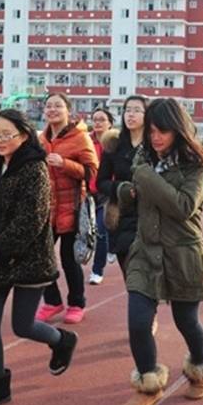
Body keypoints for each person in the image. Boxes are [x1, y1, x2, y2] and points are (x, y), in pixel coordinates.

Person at [0, 109, 77, 405]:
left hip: (28, 259)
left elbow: (32, 218)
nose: (0, 140)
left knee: (22, 325)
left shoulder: (35, 169)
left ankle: (61, 340)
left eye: (7, 134)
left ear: (24, 136)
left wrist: (2, 250)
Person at [118, 98, 203, 405]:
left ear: (179, 130)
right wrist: (125, 192)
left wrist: (145, 178)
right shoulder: (144, 156)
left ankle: (200, 367)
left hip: (183, 255)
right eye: (152, 130)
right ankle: (149, 384)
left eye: (163, 131)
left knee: (186, 321)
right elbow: (136, 193)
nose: (156, 137)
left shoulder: (195, 165)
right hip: (146, 252)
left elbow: (184, 205)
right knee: (137, 322)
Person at [35, 93, 99, 324]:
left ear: (68, 110)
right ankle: (52, 301)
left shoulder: (80, 138)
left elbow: (92, 171)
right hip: (45, 209)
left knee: (69, 259)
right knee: (37, 257)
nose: (52, 110)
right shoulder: (41, 139)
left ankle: (76, 303)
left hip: (72, 207)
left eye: (58, 106)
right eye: (48, 106)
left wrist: (65, 164)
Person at [97, 95, 148, 274]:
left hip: (149, 216)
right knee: (131, 278)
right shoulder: (114, 144)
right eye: (127, 110)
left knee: (146, 280)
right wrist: (119, 189)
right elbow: (100, 182)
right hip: (121, 216)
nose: (130, 115)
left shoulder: (155, 145)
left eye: (136, 110)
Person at [87, 107, 115, 285]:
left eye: (102, 119)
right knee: (86, 231)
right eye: (95, 119)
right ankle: (111, 244)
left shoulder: (114, 143)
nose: (97, 123)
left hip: (107, 193)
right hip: (88, 194)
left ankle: (97, 270)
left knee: (101, 231)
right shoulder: (86, 141)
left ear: (110, 123)